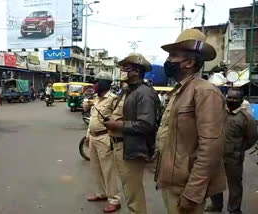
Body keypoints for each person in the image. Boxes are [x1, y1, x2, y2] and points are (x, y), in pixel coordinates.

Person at [155, 29, 226, 214]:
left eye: (173, 56)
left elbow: (210, 148)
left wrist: (193, 192)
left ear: (189, 62)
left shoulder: (205, 92)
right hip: (172, 183)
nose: (168, 61)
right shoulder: (180, 91)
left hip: (185, 188)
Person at [104, 53, 159, 214]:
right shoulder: (128, 91)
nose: (121, 70)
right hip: (121, 147)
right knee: (128, 191)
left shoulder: (144, 93)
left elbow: (146, 125)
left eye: (125, 68)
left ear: (136, 71)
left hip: (131, 149)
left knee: (133, 193)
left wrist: (117, 125)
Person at [205, 88, 258, 214]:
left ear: (241, 100)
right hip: (216, 156)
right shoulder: (219, 113)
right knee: (215, 182)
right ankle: (216, 206)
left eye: (235, 98)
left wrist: (238, 149)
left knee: (234, 185)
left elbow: (252, 138)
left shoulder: (246, 118)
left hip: (234, 158)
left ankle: (234, 209)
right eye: (229, 97)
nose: (231, 100)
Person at [85, 72, 121, 213]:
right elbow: (93, 118)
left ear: (105, 84)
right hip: (93, 137)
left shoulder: (113, 99)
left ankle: (114, 200)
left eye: (97, 82)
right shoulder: (96, 99)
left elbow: (117, 120)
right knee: (96, 168)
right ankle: (101, 193)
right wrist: (88, 134)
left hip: (105, 137)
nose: (94, 85)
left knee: (108, 170)